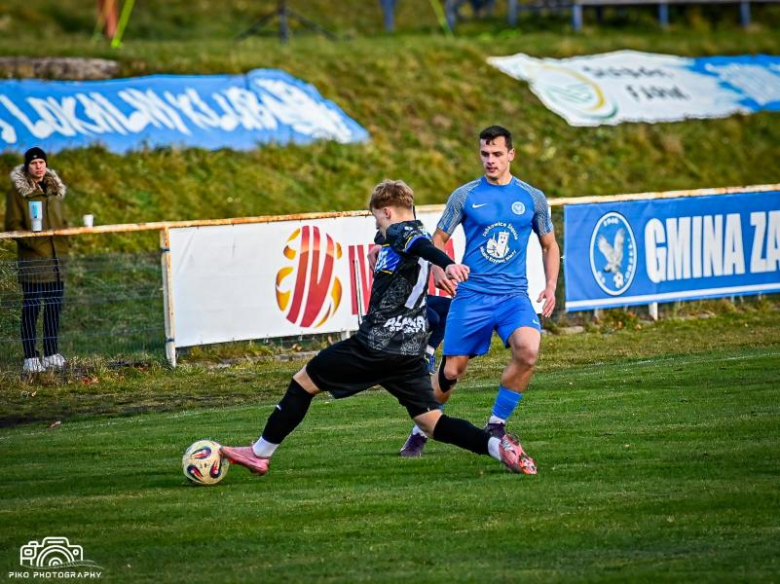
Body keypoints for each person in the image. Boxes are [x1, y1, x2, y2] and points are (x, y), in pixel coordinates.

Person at [221, 179, 537, 477]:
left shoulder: (405, 233)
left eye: (377, 219)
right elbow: (402, 242)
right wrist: (380, 248)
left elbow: (418, 244)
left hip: (375, 344)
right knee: (431, 423)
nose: (378, 227)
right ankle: (498, 448)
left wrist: (446, 263)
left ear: (387, 211)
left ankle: (260, 452)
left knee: (304, 381)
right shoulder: (405, 233)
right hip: (407, 354)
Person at [399, 125, 560, 459]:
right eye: (485, 154)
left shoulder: (532, 197)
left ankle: (496, 425)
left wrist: (550, 286)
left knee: (528, 350)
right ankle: (420, 430)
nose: (490, 160)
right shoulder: (465, 195)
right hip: (472, 296)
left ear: (511, 154)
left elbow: (549, 245)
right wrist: (440, 268)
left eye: (497, 154)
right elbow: (438, 239)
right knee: (451, 372)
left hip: (513, 296)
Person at [5, 147, 69, 373]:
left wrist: (66, 242)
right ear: (27, 166)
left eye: (42, 162)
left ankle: (51, 353)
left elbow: (63, 221)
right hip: (33, 260)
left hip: (57, 260)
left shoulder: (54, 190)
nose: (38, 166)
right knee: (32, 308)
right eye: (34, 163)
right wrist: (35, 245)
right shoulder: (17, 193)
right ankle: (30, 357)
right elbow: (12, 225)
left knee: (54, 307)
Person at [424, 294, 451, 374]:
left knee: (450, 306)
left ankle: (427, 353)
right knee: (434, 319)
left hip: (419, 298)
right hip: (399, 302)